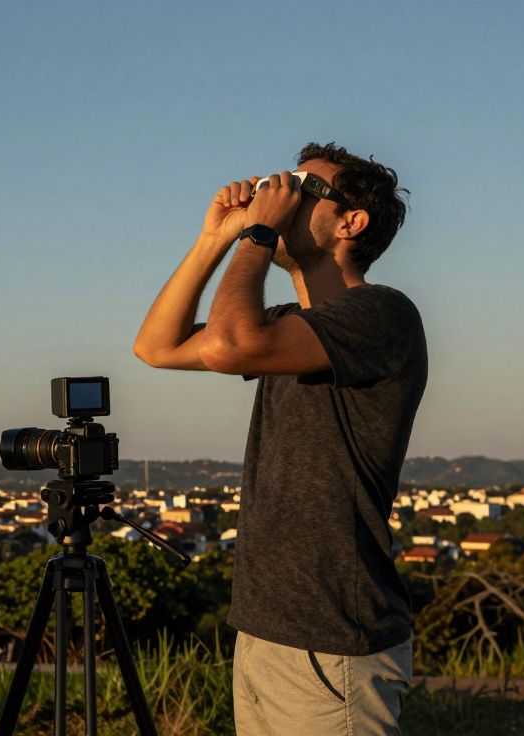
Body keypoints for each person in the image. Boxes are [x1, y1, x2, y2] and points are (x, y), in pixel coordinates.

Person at [133, 143, 424, 735]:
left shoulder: (382, 314)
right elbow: (156, 347)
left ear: (351, 222)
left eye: (301, 189)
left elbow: (228, 346)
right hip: (267, 630)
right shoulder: (288, 323)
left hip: (332, 639)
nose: (279, 195)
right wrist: (215, 238)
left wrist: (259, 233)